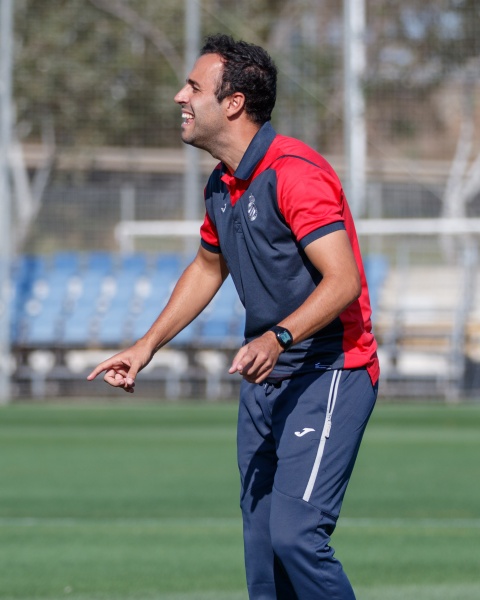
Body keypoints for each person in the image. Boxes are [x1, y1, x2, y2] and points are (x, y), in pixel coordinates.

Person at [88, 33, 379, 600]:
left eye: (194, 86)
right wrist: (144, 347)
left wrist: (280, 335)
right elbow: (205, 268)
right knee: (264, 558)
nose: (180, 97)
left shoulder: (295, 171)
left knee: (297, 538)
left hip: (330, 372)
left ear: (234, 103)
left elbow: (343, 281)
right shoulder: (221, 184)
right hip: (265, 380)